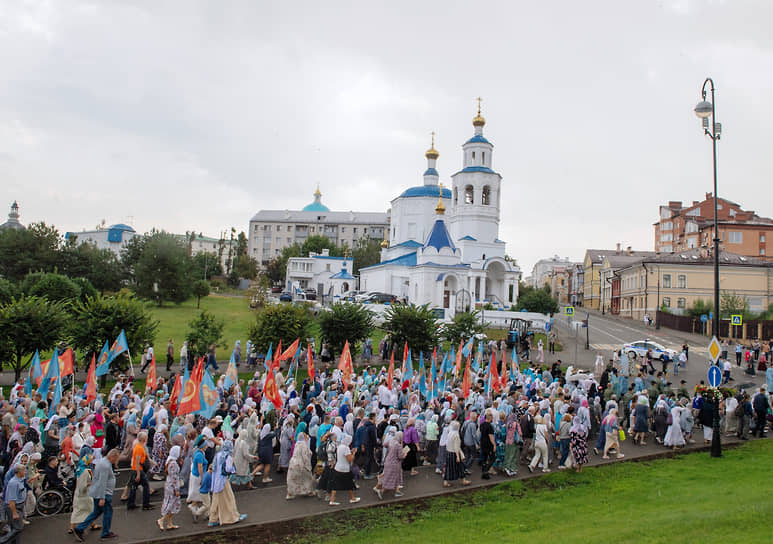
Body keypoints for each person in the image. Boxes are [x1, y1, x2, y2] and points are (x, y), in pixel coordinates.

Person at [73, 448, 119, 541]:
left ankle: (80, 528)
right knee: (108, 512)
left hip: (98, 492)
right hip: (104, 494)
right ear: (113, 457)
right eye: (116, 458)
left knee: (96, 512)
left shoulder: (102, 462)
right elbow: (103, 482)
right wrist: (102, 497)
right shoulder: (106, 466)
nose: (116, 461)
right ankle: (105, 533)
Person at [208, 440, 247, 527]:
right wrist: (232, 466)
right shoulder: (228, 456)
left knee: (216, 499)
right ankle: (233, 517)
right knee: (229, 499)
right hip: (223, 480)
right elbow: (228, 469)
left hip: (216, 481)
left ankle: (213, 519)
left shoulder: (218, 455)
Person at [69, 452, 98, 535]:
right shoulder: (85, 471)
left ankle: (72, 527)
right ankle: (91, 525)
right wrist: (90, 484)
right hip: (85, 494)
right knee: (90, 510)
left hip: (78, 493)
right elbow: (83, 485)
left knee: (77, 510)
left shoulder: (79, 469)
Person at [328, 435, 360, 506]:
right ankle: (352, 498)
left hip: (338, 467)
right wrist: (354, 453)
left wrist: (350, 452)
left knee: (335, 485)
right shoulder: (346, 448)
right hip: (344, 469)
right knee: (349, 484)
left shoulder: (339, 446)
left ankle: (332, 500)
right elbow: (350, 459)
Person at [374, 430, 406, 499]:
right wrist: (405, 454)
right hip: (394, 464)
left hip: (388, 461)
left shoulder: (391, 441)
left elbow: (384, 444)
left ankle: (396, 491)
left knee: (390, 477)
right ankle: (382, 491)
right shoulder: (398, 445)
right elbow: (400, 456)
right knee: (391, 478)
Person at [158, 445, 182, 531]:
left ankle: (169, 523)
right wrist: (177, 489)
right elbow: (174, 478)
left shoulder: (169, 461)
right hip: (172, 487)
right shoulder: (173, 464)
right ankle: (162, 520)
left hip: (169, 485)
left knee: (172, 504)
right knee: (172, 503)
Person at [127, 431, 154, 511]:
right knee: (146, 486)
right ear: (143, 439)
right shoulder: (139, 448)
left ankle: (131, 503)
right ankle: (146, 504)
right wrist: (138, 474)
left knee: (134, 487)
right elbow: (137, 462)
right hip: (139, 470)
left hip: (136, 469)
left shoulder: (139, 446)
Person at [286, 430, 315, 499]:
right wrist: (308, 466)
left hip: (293, 463)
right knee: (307, 478)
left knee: (292, 479)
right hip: (301, 463)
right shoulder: (304, 445)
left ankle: (290, 493)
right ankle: (308, 491)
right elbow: (305, 456)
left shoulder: (297, 444)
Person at [187, 436, 209, 522]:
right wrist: (203, 478)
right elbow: (200, 467)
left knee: (196, 494)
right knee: (198, 493)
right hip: (197, 477)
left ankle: (196, 510)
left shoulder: (198, 453)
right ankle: (196, 510)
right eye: (206, 445)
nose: (207, 446)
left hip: (195, 476)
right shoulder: (200, 455)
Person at [4, 464, 28, 543]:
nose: (25, 472)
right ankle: (3, 541)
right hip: (14, 507)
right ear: (19, 472)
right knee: (18, 528)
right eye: (24, 470)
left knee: (15, 528)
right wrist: (14, 513)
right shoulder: (13, 483)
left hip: (18, 506)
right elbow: (11, 500)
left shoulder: (20, 480)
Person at [443, 421, 470, 487]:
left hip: (448, 452)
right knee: (460, 467)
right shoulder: (456, 435)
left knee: (448, 468)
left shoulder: (450, 433)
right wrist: (458, 457)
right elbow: (456, 447)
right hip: (454, 454)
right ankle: (464, 480)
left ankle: (445, 481)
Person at [479, 411, 496, 479]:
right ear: (490, 419)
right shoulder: (490, 427)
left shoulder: (482, 425)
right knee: (492, 458)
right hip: (488, 444)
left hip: (483, 442)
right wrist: (494, 445)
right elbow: (491, 437)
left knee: (484, 458)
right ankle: (486, 470)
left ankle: (484, 471)